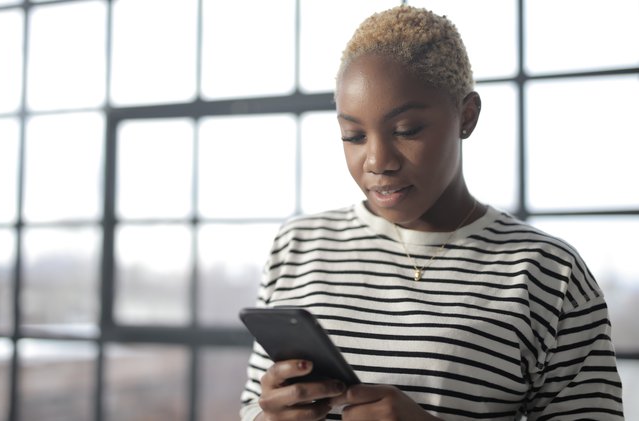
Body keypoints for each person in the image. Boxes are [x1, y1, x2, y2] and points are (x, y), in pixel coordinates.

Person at [239, 5, 624, 420]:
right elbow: (251, 407)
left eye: (406, 131)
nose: (377, 160)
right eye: (353, 135)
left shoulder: (548, 273)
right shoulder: (298, 244)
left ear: (467, 116)